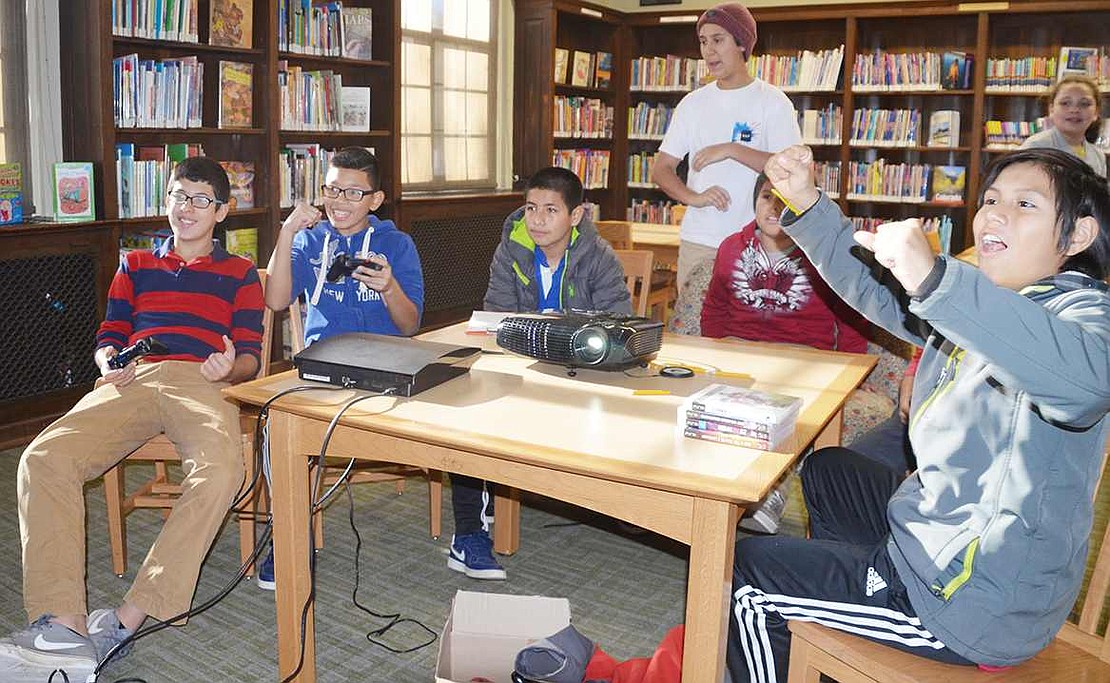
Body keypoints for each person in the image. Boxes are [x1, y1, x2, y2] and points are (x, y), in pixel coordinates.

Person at [722, 145, 1110, 682]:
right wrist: (808, 202)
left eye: (1025, 206)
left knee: (749, 574)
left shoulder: (1083, 311)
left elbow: (1087, 381)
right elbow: (870, 286)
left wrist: (937, 282)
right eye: (992, 199)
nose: (995, 213)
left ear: (1077, 237)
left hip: (971, 603)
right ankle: (841, 625)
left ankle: (851, 609)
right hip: (942, 544)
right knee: (830, 470)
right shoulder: (989, 295)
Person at [0, 157, 264, 681]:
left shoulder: (240, 274)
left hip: (201, 381)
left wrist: (230, 366)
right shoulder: (136, 264)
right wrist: (108, 362)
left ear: (222, 212)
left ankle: (126, 619)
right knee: (42, 457)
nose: (185, 208)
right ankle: (65, 625)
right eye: (177, 196)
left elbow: (253, 355)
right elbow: (109, 334)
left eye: (199, 199)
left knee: (222, 472)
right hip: (134, 376)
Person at [258, 146, 424, 589]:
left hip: (386, 364)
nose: (339, 201)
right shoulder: (311, 240)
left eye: (354, 192)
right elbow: (275, 301)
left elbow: (410, 325)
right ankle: (288, 536)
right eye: (332, 189)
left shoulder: (396, 244)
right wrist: (287, 232)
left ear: (375, 199)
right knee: (276, 423)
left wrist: (388, 287)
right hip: (323, 362)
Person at [468, 166, 632, 580]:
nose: (537, 220)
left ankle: (605, 498)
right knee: (472, 405)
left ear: (576, 216)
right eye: (530, 208)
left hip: (582, 368)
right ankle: (480, 512)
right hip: (521, 362)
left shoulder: (599, 257)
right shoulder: (509, 251)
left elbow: (618, 324)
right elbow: (497, 316)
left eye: (550, 210)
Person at [700, 172, 871, 534]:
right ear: (754, 203)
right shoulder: (731, 247)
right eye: (766, 198)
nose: (774, 208)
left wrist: (856, 373)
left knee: (787, 408)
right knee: (716, 403)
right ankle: (714, 488)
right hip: (740, 351)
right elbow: (715, 306)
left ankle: (771, 489)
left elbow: (851, 316)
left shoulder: (823, 255)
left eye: (786, 201)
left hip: (803, 357)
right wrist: (711, 353)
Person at [650, 2, 801, 294]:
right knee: (692, 331)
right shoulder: (692, 104)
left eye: (718, 40)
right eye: (704, 42)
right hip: (700, 242)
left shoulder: (773, 102)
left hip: (758, 243)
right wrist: (691, 197)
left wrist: (732, 149)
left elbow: (790, 169)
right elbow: (662, 168)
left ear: (742, 44)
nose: (709, 51)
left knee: (750, 336)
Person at [1020, 75, 1106, 178]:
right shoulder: (1036, 147)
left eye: (1084, 104)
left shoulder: (1098, 156)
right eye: (1065, 103)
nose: (1074, 110)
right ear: (1051, 109)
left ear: (1096, 112)